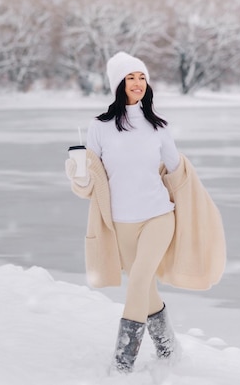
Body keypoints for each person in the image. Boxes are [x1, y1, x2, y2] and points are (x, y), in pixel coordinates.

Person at [65, 52, 226, 373]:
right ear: (118, 85)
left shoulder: (159, 126)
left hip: (158, 216)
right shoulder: (100, 128)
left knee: (138, 281)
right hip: (120, 222)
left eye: (141, 77)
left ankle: (122, 364)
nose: (137, 84)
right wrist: (78, 174)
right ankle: (168, 349)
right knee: (146, 288)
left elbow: (178, 174)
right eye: (130, 78)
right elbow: (90, 182)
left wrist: (196, 204)